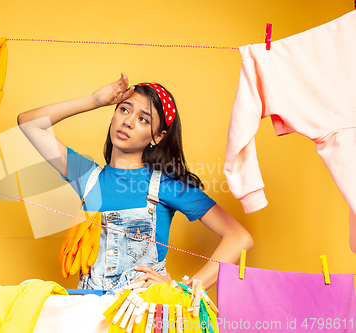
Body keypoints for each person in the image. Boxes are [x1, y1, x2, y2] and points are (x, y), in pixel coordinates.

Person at [17, 73, 253, 290]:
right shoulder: (87, 176)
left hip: (144, 317)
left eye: (143, 119)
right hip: (90, 315)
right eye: (124, 110)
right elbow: (28, 122)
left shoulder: (166, 186)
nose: (128, 122)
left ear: (158, 137)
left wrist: (187, 290)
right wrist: (94, 100)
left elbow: (239, 238)